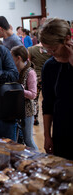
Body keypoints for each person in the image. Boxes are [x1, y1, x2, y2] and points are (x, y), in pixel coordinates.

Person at [39, 18, 73, 160]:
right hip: (62, 131)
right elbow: (48, 103)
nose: (49, 53)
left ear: (67, 39)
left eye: (53, 49)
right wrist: (47, 135)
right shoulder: (50, 66)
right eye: (46, 49)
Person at [11, 45, 38, 150]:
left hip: (27, 111)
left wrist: (19, 90)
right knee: (20, 139)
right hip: (17, 110)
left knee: (28, 140)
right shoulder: (16, 70)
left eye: (12, 57)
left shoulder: (30, 72)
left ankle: (38, 161)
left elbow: (33, 94)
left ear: (18, 58)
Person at [28, 40, 51, 125]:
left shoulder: (31, 49)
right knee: (49, 99)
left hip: (36, 78)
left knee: (35, 99)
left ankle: (35, 118)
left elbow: (29, 63)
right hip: (48, 77)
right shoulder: (50, 50)